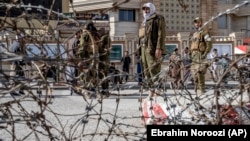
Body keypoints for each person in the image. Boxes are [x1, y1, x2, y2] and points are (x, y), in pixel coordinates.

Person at [138, 2, 166, 97]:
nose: (146, 11)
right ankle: (151, 90)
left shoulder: (158, 18)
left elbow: (161, 34)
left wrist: (159, 47)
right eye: (144, 9)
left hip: (152, 48)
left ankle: (158, 88)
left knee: (153, 68)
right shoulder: (144, 22)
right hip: (143, 49)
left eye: (147, 9)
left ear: (152, 9)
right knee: (146, 70)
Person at [79, 21, 111, 97]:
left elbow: (82, 47)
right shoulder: (96, 35)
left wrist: (80, 57)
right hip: (96, 58)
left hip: (87, 58)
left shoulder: (86, 35)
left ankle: (89, 91)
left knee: (87, 74)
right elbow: (100, 47)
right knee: (95, 74)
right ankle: (95, 90)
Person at [190, 17, 212, 95]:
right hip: (194, 55)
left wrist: (205, 54)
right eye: (195, 22)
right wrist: (190, 55)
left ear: (201, 22)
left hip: (200, 54)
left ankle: (201, 89)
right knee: (195, 74)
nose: (196, 24)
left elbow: (209, 44)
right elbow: (192, 45)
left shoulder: (205, 32)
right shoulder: (195, 34)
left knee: (200, 72)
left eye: (198, 22)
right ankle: (197, 89)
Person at [66, 30, 81, 95]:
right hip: (74, 60)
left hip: (69, 59)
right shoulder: (77, 41)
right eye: (81, 33)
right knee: (75, 75)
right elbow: (76, 51)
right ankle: (73, 89)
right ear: (78, 33)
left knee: (70, 74)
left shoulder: (70, 40)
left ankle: (70, 89)